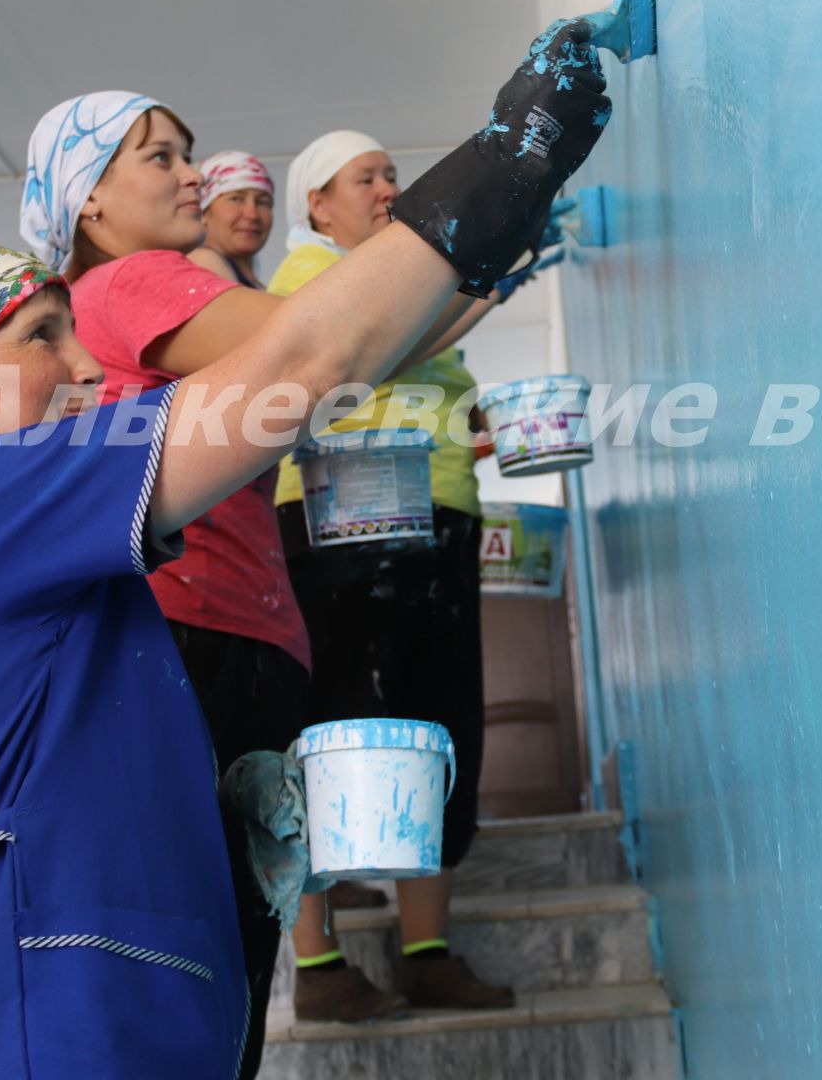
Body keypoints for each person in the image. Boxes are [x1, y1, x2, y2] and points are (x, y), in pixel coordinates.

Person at [0, 17, 611, 1077]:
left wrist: (199, 815)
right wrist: (513, 154)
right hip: (12, 1037)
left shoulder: (36, 562)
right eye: (41, 337)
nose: (88, 366)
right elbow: (310, 351)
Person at [20, 95, 479, 1064]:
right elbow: (326, 343)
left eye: (188, 153)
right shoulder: (136, 280)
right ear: (89, 201)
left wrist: (476, 278)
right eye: (160, 157)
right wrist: (481, 213)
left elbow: (358, 347)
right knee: (212, 935)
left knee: (223, 931)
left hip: (236, 633)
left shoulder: (154, 288)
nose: (193, 173)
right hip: (196, 635)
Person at [270, 128, 548, 1019]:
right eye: (367, 177)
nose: (388, 187)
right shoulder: (304, 278)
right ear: (316, 202)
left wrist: (478, 428)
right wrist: (490, 282)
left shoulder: (416, 285)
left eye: (394, 174)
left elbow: (436, 375)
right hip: (341, 518)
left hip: (435, 514)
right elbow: (387, 347)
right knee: (335, 726)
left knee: (436, 720)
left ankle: (426, 949)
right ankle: (316, 967)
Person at [193, 151, 276, 288]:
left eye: (262, 202)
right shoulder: (202, 263)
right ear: (204, 212)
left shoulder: (253, 285)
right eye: (236, 199)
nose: (252, 214)